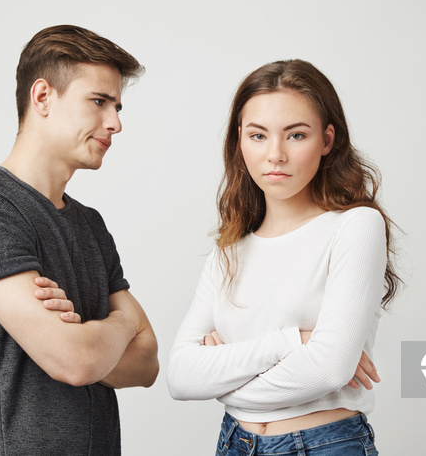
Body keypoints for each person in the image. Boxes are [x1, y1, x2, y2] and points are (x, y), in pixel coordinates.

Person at [0, 25, 158, 455]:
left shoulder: (90, 224)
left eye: (118, 106)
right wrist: (124, 325)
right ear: (42, 97)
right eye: (98, 102)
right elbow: (74, 361)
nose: (116, 123)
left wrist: (90, 340)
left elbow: (147, 363)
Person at [167, 59, 399, 455]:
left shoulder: (355, 226)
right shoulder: (229, 250)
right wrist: (294, 341)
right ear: (239, 139)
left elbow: (329, 368)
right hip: (233, 442)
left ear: (327, 140)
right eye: (258, 136)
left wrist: (225, 374)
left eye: (295, 135)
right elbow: (180, 377)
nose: (275, 154)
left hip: (324, 445)